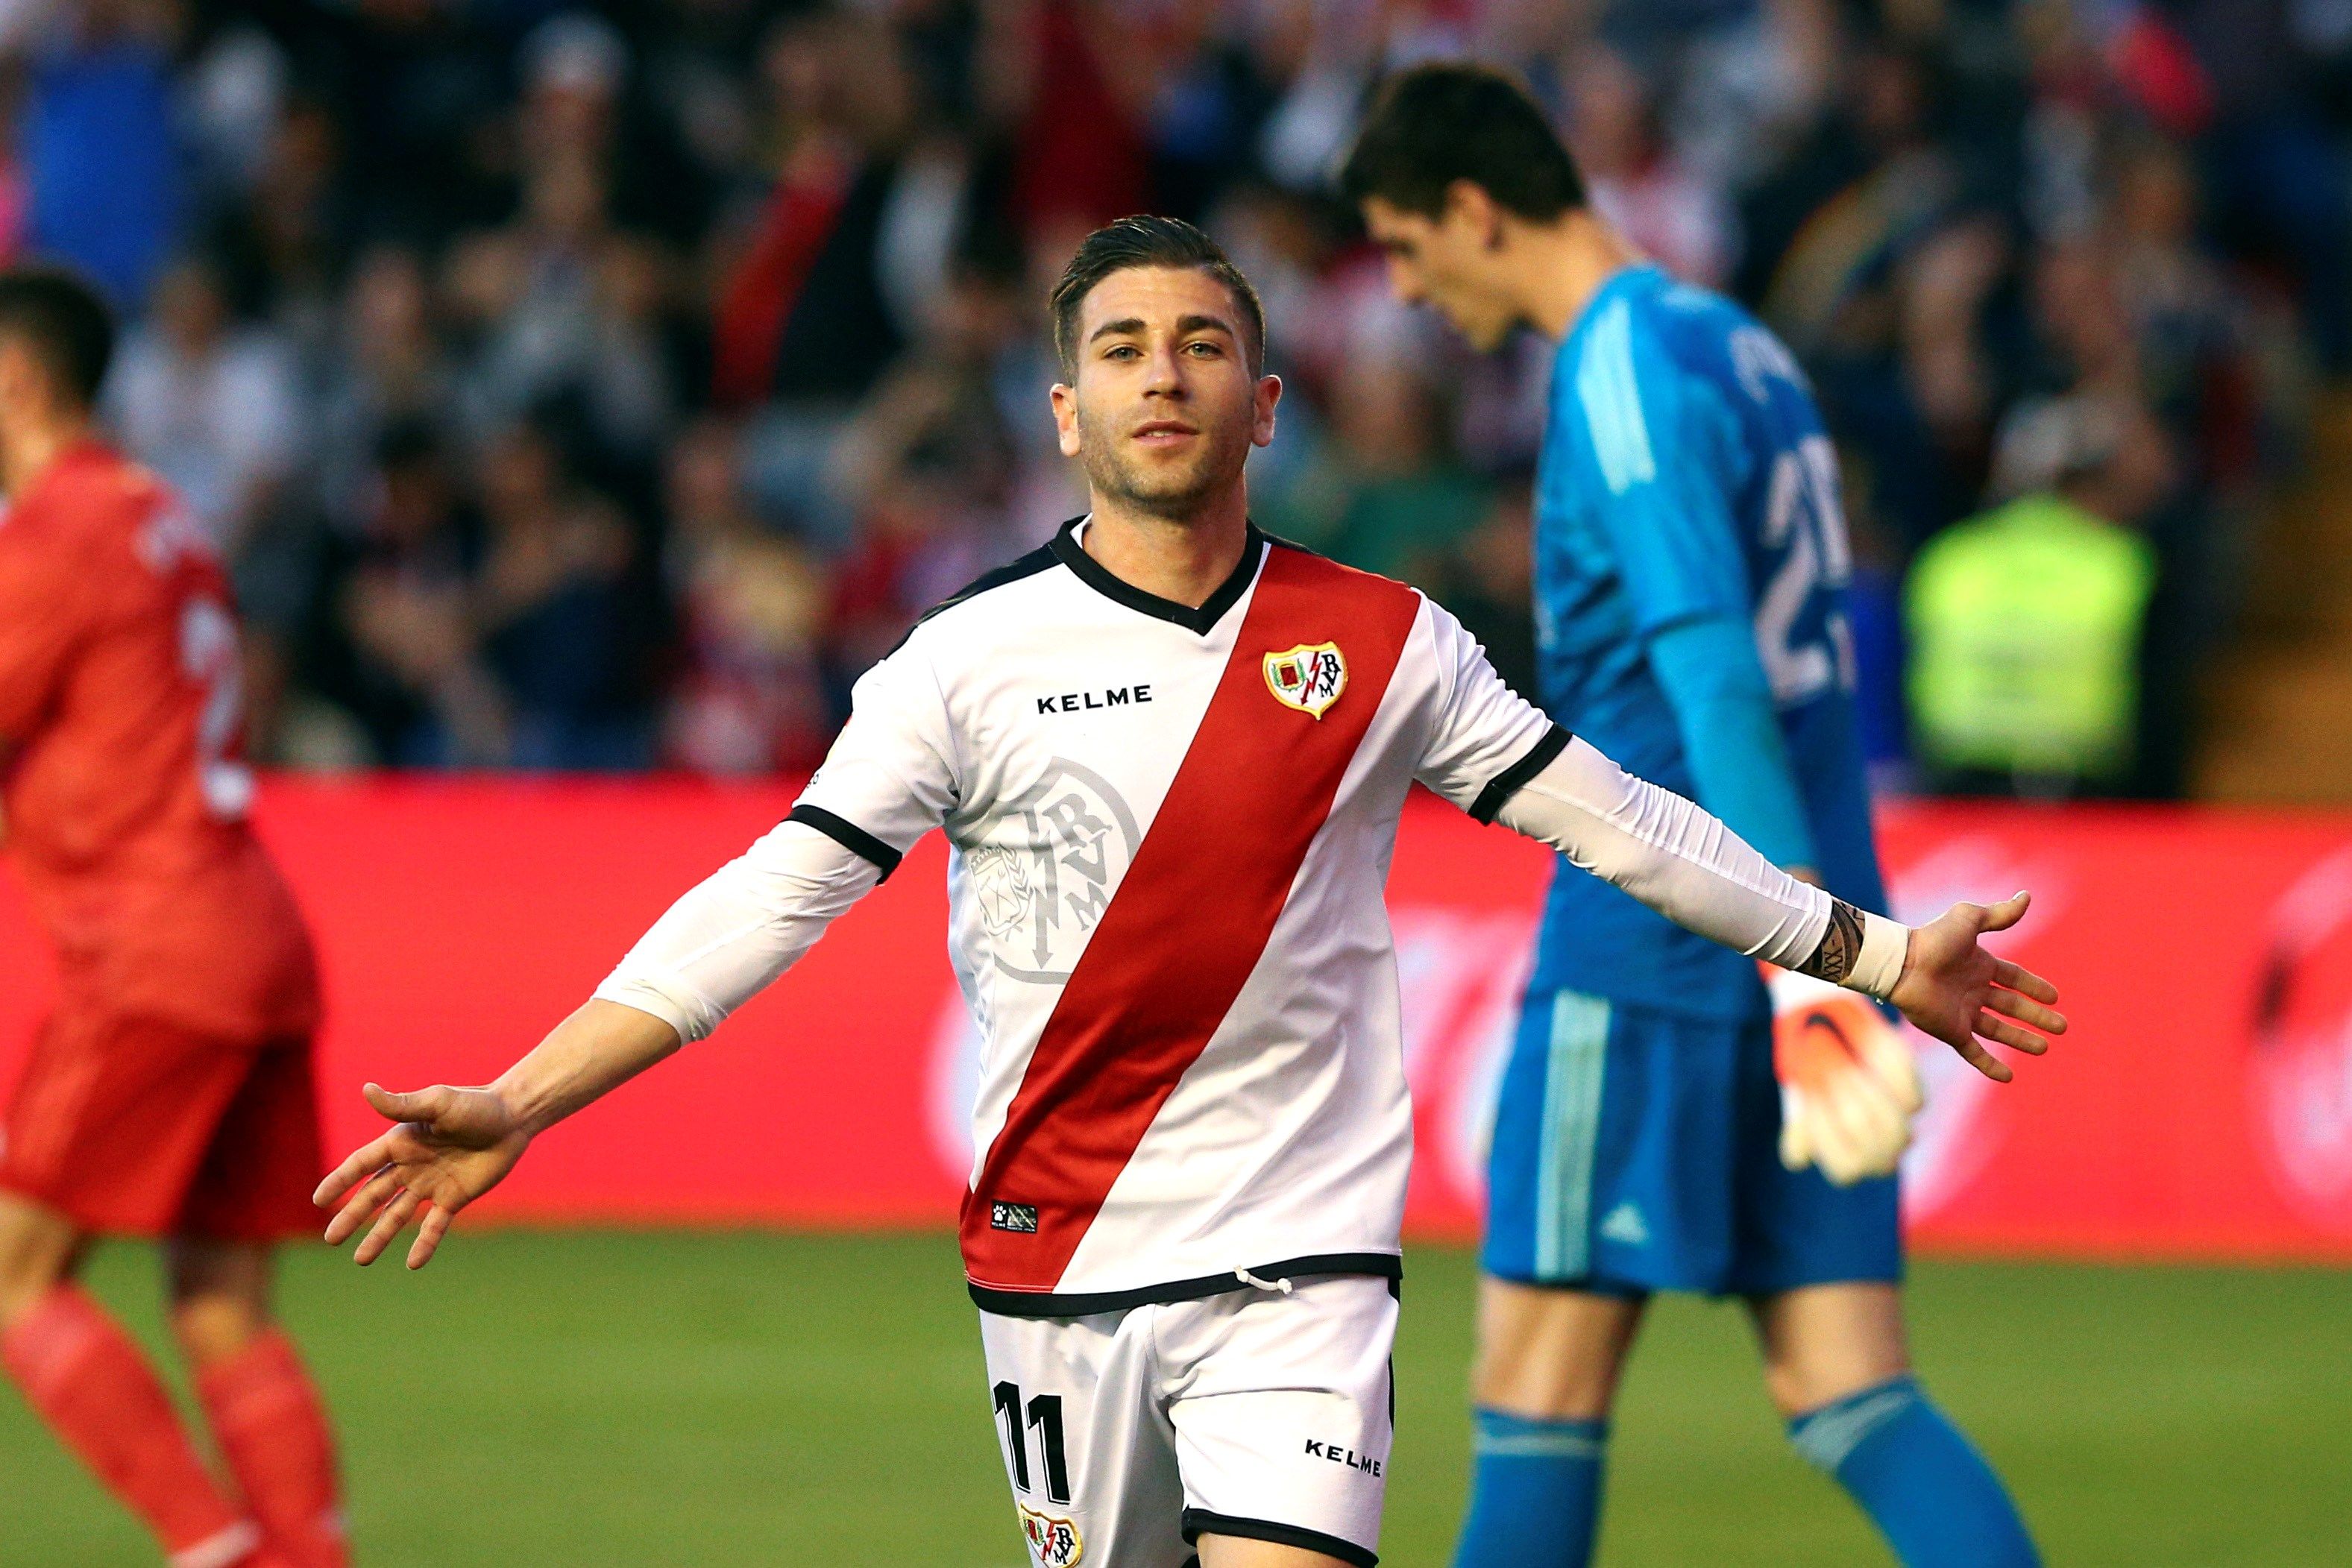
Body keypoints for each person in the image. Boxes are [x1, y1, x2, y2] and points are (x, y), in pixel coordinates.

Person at [315, 217, 2065, 1568]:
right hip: (1053, 1259)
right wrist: (525, 1097)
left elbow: (1620, 820)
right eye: (1125, 348)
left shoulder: (1383, 642)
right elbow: (772, 893)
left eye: (1203, 343)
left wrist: (1867, 950)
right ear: (1066, 410)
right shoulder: (962, 662)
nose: (1165, 374)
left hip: (1301, 1267)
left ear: (1263, 401)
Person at [1341, 63, 2044, 1568]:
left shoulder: (1616, 366)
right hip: (1824, 906)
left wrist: (1798, 960)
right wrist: (1841, 947)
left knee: (1533, 1390)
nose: (1403, 289)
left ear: (1472, 210)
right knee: (1852, 1390)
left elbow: (1711, 668)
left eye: (1405, 245)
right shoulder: (1739, 348)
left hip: (1663, 937)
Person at [0, 268, 347, 1568]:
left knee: (15, 1282)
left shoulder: (53, 533)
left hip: (151, 950)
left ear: (17, 381)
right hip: (252, 930)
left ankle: (218, 1552)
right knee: (218, 1304)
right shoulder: (161, 515)